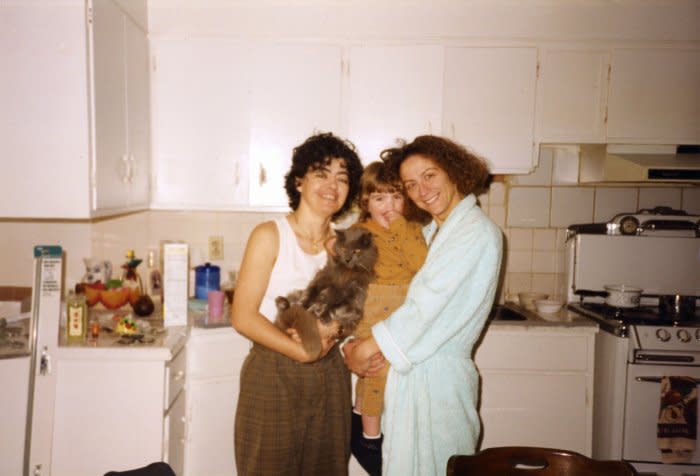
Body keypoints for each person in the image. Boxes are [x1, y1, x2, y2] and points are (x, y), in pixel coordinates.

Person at [343, 135, 503, 476]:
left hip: (438, 385)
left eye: (429, 176)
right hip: (408, 375)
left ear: (453, 171)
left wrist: (367, 348)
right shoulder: (430, 233)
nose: (421, 190)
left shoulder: (475, 232)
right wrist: (354, 342)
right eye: (411, 184)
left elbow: (428, 306)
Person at [231, 132, 364, 476]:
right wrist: (302, 352)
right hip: (273, 372)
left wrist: (334, 334)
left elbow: (349, 313)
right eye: (322, 174)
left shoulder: (346, 246)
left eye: (342, 178)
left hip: (330, 376)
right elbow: (243, 317)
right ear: (299, 181)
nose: (332, 185)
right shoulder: (270, 235)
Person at [349, 162, 428, 476]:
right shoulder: (359, 234)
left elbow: (421, 265)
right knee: (375, 372)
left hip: (402, 310)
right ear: (365, 202)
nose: (390, 206)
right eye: (379, 198)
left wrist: (398, 229)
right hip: (372, 309)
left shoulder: (411, 230)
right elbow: (348, 276)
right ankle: (370, 438)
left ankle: (358, 417)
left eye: (396, 197)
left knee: (396, 380)